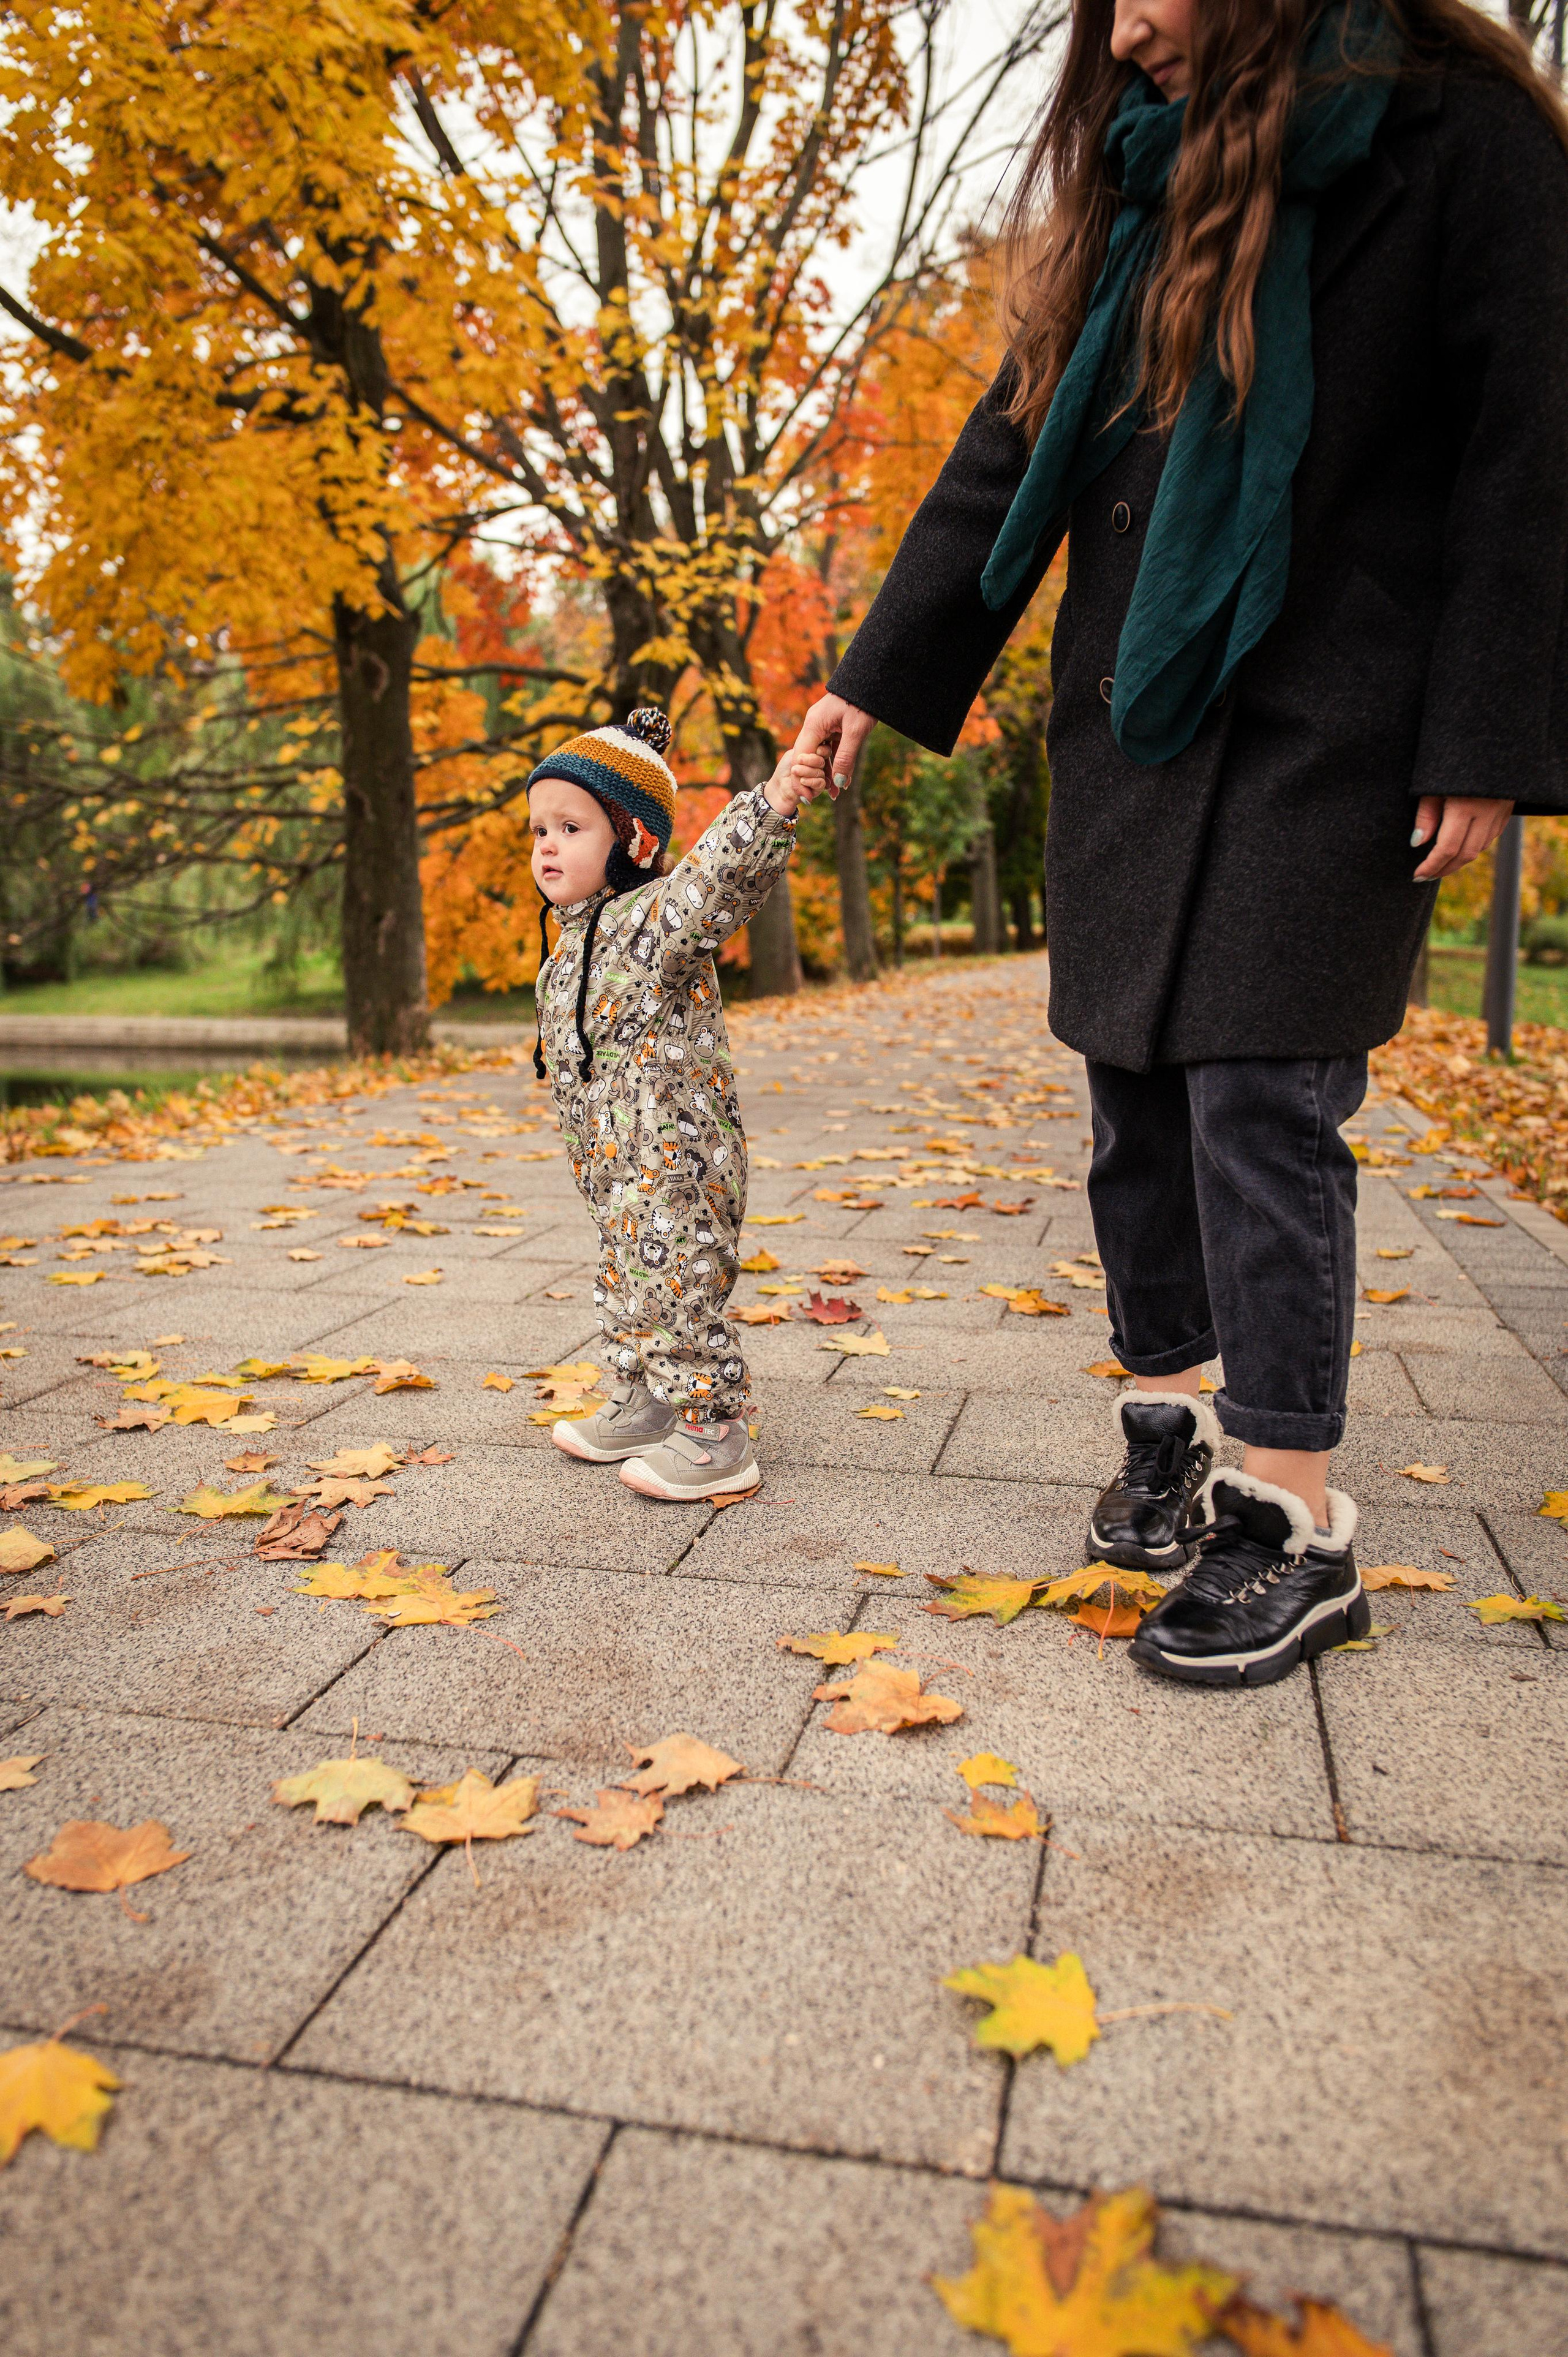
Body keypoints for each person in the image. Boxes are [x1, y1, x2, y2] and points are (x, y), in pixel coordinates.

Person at [794, 0, 1568, 1684]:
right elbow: (1017, 433)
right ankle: (1169, 1421)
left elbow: (1531, 447)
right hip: (1133, 706)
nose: (1127, 20)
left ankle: (1290, 1519)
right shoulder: (1136, 175)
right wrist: (876, 670)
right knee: (1134, 1098)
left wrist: (1490, 735)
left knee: (1259, 1096)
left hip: (1339, 711)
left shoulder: (1462, 135)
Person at [528, 708, 829, 1500]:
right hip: (612, 1167)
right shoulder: (564, 951)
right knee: (624, 1276)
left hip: (678, 1161)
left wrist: (774, 799)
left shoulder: (657, 924)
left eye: (571, 827)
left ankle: (715, 1432)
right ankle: (649, 1400)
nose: (548, 846)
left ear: (634, 842)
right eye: (539, 830)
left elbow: (717, 879)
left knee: (677, 1284)